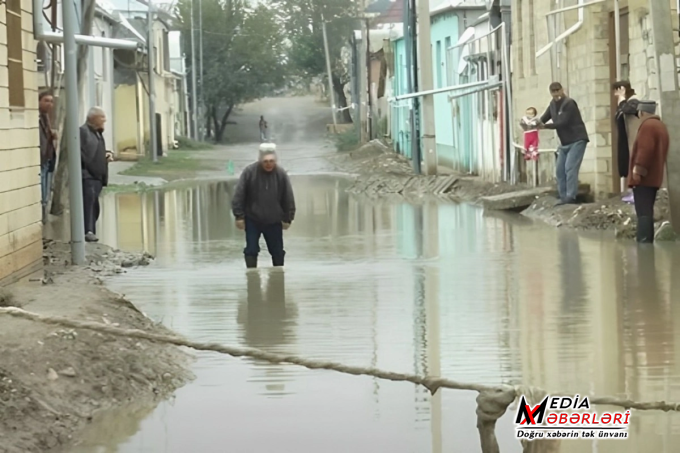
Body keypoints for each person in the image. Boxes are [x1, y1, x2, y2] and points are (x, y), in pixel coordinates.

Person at [231, 143, 296, 268]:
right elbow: (239, 194)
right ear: (260, 160)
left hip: (274, 220)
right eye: (265, 161)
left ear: (275, 160)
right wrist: (239, 216)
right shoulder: (249, 172)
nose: (268, 164)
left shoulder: (281, 174)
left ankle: (278, 279)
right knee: (251, 249)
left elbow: (288, 197)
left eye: (271, 161)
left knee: (277, 251)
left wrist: (288, 218)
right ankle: (251, 277)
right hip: (252, 219)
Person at [537, 82, 589, 205]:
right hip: (565, 143)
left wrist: (544, 127)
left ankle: (571, 197)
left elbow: (562, 122)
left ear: (562, 90)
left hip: (577, 140)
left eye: (558, 90)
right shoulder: (552, 105)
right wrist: (533, 124)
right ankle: (563, 196)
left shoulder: (569, 103)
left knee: (570, 168)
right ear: (550, 93)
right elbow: (543, 117)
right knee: (560, 170)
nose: (556, 94)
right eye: (553, 91)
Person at [628, 100, 669, 244]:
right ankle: (647, 245)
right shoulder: (659, 125)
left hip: (645, 178)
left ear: (642, 112)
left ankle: (644, 243)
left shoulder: (648, 126)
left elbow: (645, 150)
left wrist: (638, 171)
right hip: (654, 177)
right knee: (647, 210)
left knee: (643, 212)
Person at [80, 107, 113, 243]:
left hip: (97, 177)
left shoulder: (98, 133)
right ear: (92, 118)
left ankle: (91, 230)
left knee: (95, 206)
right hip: (88, 176)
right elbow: (82, 154)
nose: (104, 120)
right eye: (101, 117)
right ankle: (88, 231)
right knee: (88, 205)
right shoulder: (83, 132)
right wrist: (91, 168)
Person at [612, 81, 641, 204]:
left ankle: (636, 192)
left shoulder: (634, 102)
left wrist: (622, 99)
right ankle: (630, 190)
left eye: (617, 90)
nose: (615, 94)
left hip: (633, 138)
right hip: (624, 138)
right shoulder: (622, 104)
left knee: (633, 162)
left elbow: (628, 110)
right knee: (626, 163)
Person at [39, 91, 58, 224]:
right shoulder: (38, 117)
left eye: (51, 101)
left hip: (48, 158)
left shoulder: (46, 118)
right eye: (46, 100)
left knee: (45, 194)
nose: (49, 104)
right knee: (41, 193)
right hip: (41, 159)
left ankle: (44, 219)